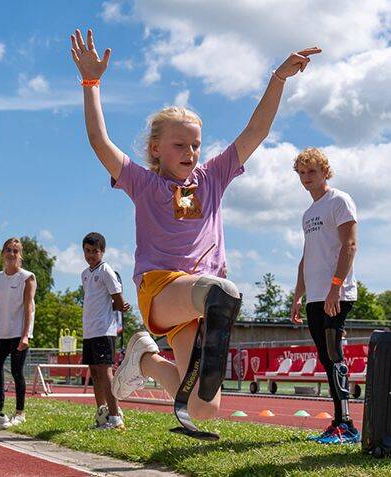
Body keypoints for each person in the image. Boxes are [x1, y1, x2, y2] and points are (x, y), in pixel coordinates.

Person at [71, 28, 320, 426]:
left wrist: (278, 79)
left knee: (205, 408)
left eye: (195, 145)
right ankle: (194, 315)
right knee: (218, 290)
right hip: (163, 288)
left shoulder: (212, 178)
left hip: (201, 304)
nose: (190, 152)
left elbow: (255, 132)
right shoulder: (144, 182)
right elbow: (100, 141)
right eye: (179, 145)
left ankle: (146, 360)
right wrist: (91, 83)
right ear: (156, 149)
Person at [290, 148, 360, 444]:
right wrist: (297, 297)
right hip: (316, 297)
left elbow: (350, 245)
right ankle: (338, 423)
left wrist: (335, 286)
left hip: (337, 293)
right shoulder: (308, 214)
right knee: (325, 356)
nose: (307, 178)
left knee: (334, 353)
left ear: (325, 172)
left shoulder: (339, 200)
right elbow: (306, 259)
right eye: (302, 173)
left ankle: (346, 425)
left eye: (312, 172)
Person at [0, 238, 37, 430]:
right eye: (8, 250)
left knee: (16, 370)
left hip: (19, 332)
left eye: (15, 251)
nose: (12, 254)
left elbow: (29, 307)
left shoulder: (27, 277)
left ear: (20, 255)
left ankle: (20, 413)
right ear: (3, 253)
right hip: (3, 332)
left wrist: (25, 335)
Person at [80, 232, 129, 430]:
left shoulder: (106, 270)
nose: (91, 255)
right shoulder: (85, 274)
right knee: (94, 372)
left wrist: (119, 306)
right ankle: (102, 413)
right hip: (89, 330)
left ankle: (116, 417)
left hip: (104, 329)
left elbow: (118, 301)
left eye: (95, 251)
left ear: (103, 252)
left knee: (105, 371)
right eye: (88, 251)